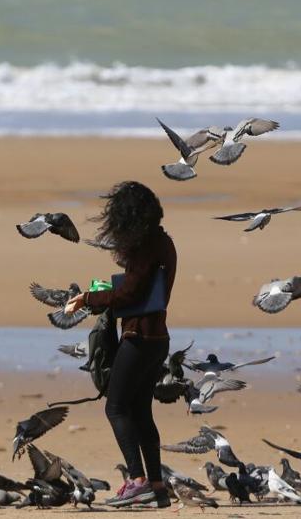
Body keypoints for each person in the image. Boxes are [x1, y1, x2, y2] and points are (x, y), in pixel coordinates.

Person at [65, 180, 176, 508]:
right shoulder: (163, 241)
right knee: (141, 411)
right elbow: (136, 288)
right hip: (158, 339)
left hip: (139, 336)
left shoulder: (146, 246)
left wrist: (87, 298)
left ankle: (137, 481)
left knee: (115, 407)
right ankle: (157, 488)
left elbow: (130, 293)